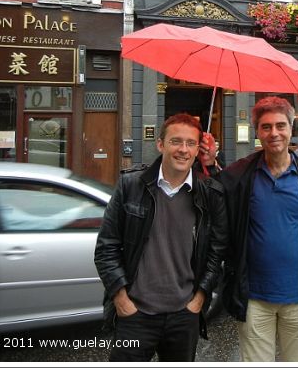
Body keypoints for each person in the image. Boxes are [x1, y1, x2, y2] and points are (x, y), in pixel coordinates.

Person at [94, 113, 228, 361]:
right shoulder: (131, 186)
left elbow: (216, 252)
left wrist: (199, 299)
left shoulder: (210, 194)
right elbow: (106, 248)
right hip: (135, 314)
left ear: (199, 149)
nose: (183, 150)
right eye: (176, 141)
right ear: (160, 144)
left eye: (191, 143)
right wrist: (121, 299)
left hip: (183, 316)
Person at [216, 96, 298, 362]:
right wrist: (204, 160)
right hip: (254, 299)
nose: (274, 133)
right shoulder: (239, 174)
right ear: (257, 131)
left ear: (292, 128)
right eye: (266, 127)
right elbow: (209, 197)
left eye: (280, 125)